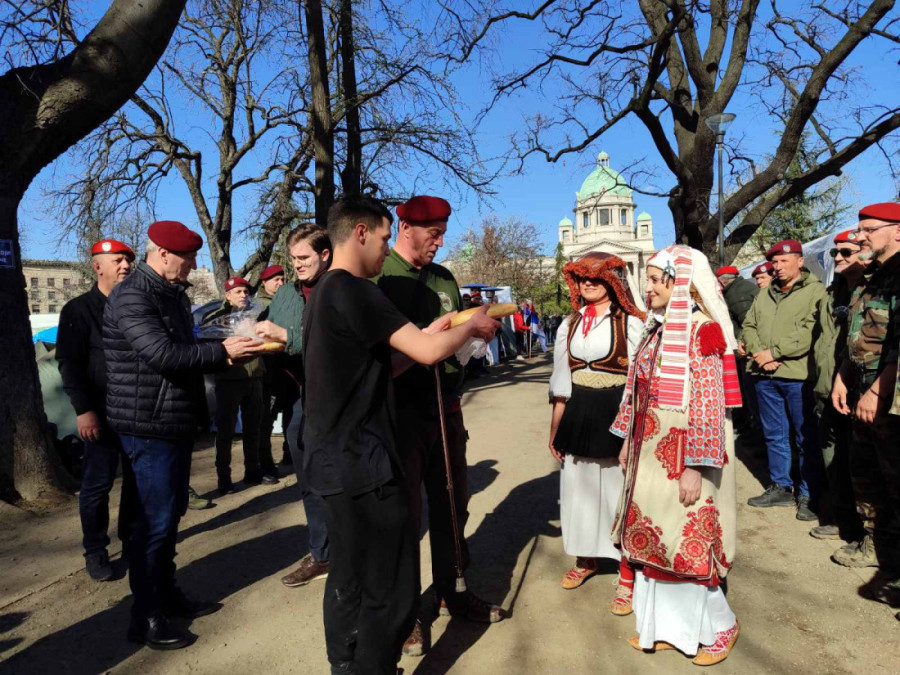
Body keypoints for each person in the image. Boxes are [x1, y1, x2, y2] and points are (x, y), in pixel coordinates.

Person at [301, 195, 499, 673]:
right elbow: (431, 354)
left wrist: (426, 336)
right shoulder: (358, 289)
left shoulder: (326, 291)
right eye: (385, 237)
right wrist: (469, 326)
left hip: (333, 461)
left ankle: (345, 666)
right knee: (390, 587)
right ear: (363, 233)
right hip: (365, 460)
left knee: (348, 575)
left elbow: (384, 362)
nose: (386, 248)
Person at [104, 220, 264, 649]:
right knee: (153, 522)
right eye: (188, 258)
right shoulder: (134, 295)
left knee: (169, 515)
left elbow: (185, 343)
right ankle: (146, 615)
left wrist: (221, 343)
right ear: (162, 254)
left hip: (169, 419)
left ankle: (165, 592)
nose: (193, 266)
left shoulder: (168, 293)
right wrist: (222, 351)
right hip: (148, 424)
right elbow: (162, 353)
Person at [376, 195, 507, 657]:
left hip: (447, 405)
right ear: (405, 226)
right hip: (402, 412)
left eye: (444, 231)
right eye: (432, 231)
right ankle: (407, 611)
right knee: (406, 515)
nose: (440, 240)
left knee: (454, 502)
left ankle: (452, 588)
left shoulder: (445, 277)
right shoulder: (381, 275)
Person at [612, 245, 741, 666]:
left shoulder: (702, 330)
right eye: (647, 279)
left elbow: (708, 404)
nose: (646, 288)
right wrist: (627, 438)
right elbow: (637, 389)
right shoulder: (658, 328)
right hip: (650, 452)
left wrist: (695, 468)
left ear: (678, 281)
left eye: (653, 279)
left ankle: (722, 626)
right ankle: (668, 630)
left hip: (685, 451)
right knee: (656, 541)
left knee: (686, 544)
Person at [548, 253, 644, 613]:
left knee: (617, 491)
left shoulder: (630, 323)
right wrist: (555, 427)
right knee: (577, 488)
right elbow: (561, 377)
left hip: (616, 409)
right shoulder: (568, 324)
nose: (588, 284)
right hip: (578, 411)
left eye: (597, 279)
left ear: (613, 283)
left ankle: (626, 572)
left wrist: (633, 427)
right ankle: (586, 559)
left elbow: (640, 379)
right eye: (582, 279)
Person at [56, 238, 138, 582]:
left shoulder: (135, 306)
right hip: (100, 415)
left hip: (135, 412)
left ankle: (132, 541)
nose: (125, 266)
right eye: (117, 260)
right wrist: (84, 409)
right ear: (97, 266)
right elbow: (69, 364)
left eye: (128, 261)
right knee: (96, 487)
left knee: (136, 483)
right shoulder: (78, 310)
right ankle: (96, 550)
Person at [831, 202, 900, 606]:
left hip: (885, 399)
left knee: (895, 481)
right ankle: (880, 552)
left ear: (897, 231)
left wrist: (877, 391)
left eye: (868, 229)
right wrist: (843, 376)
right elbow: (853, 336)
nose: (860, 237)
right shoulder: (870, 279)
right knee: (867, 476)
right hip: (859, 390)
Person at [256, 224, 332, 588]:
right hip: (298, 396)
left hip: (337, 396)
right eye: (293, 258)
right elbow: (266, 329)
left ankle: (353, 551)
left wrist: (286, 338)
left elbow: (337, 340)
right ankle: (322, 552)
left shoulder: (339, 288)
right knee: (306, 476)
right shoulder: (285, 294)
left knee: (339, 477)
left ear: (325, 255)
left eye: (304, 257)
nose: (297, 264)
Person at [743, 239, 827, 521]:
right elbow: (749, 325)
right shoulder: (765, 294)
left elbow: (810, 330)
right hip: (764, 375)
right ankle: (781, 486)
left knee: (805, 437)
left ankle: (808, 492)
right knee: (774, 434)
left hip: (797, 376)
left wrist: (775, 352)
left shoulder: (816, 291)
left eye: (783, 262)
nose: (777, 267)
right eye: (774, 263)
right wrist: (759, 353)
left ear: (800, 262)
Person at [810, 230, 868, 545]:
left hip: (858, 392)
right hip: (826, 388)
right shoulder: (831, 294)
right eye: (835, 253)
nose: (839, 258)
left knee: (860, 463)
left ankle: (864, 530)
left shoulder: (872, 293)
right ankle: (842, 518)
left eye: (847, 252)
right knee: (833, 457)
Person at [201, 276, 275, 493]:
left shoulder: (257, 314)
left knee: (254, 428)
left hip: (254, 378)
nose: (243, 295)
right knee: (225, 431)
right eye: (238, 292)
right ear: (227, 295)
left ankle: (253, 471)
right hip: (229, 380)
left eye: (245, 292)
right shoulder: (216, 319)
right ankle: (223, 477)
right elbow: (208, 349)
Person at [255, 264, 292, 468]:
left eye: (282, 280)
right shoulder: (258, 305)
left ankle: (290, 453)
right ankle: (265, 463)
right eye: (275, 280)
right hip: (267, 369)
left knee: (290, 412)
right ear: (264, 283)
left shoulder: (287, 300)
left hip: (286, 367)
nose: (280, 283)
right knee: (266, 418)